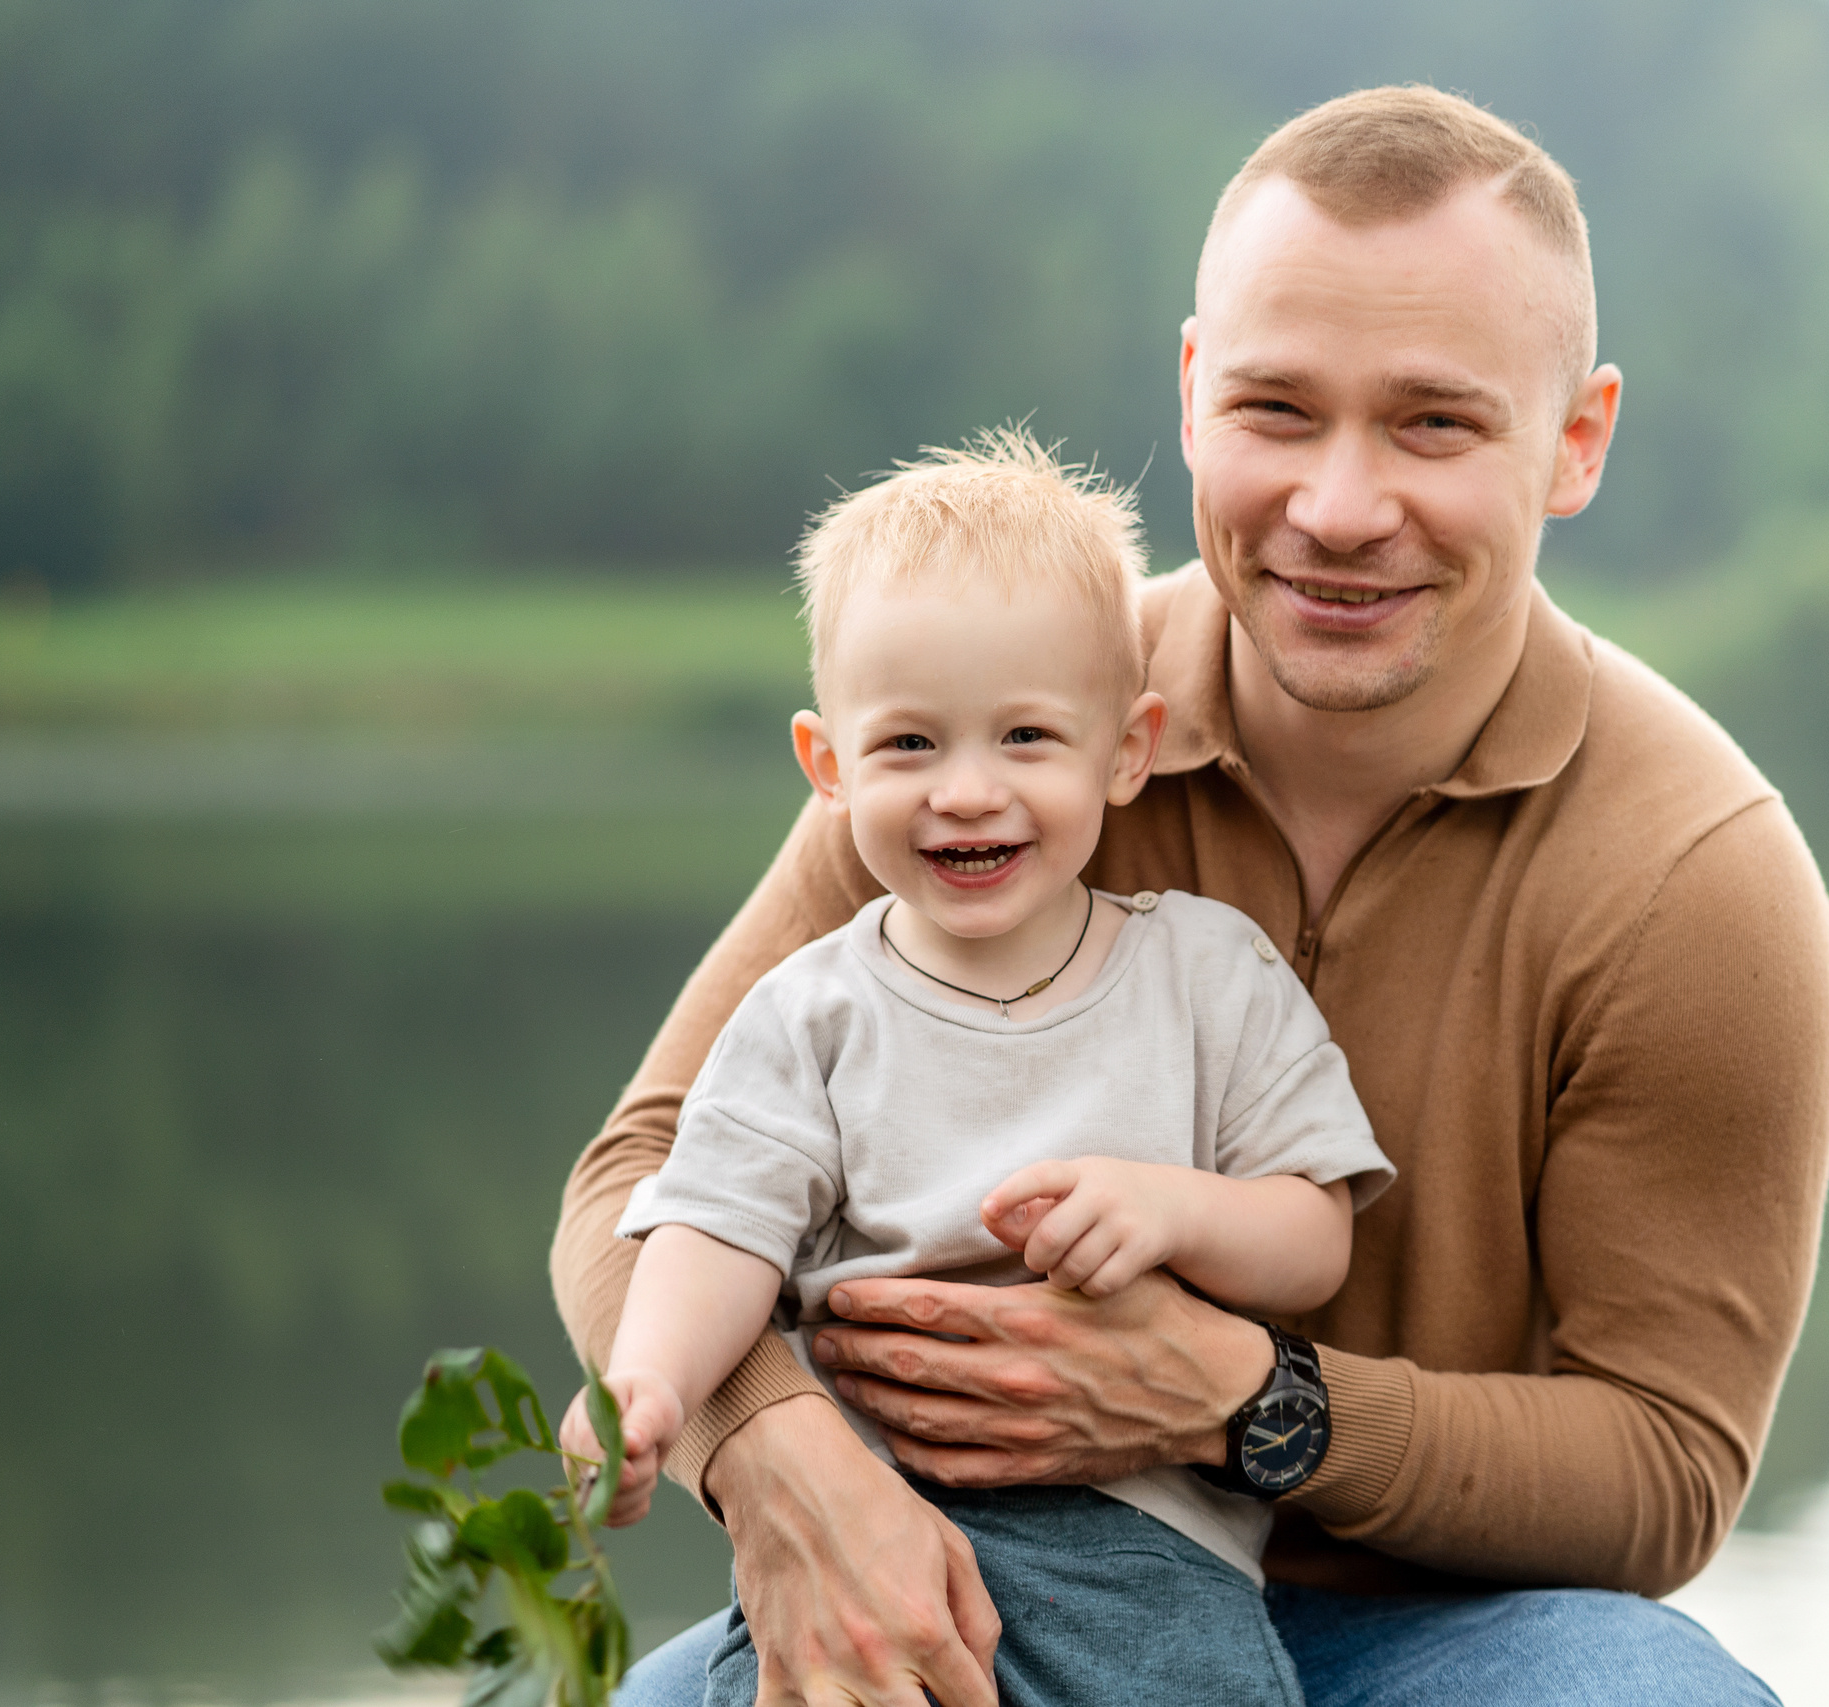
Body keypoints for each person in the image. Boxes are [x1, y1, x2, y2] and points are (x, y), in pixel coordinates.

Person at [554, 85, 1829, 1707]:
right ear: (1187, 392)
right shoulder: (998, 732)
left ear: (1574, 438)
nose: (1339, 506)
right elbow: (646, 1172)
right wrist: (780, 1454)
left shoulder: (1696, 874)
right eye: (1278, 410)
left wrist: (1238, 1400)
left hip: (1457, 1636)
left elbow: (1662, 1471)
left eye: (1433, 422)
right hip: (966, 1577)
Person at [559, 431, 1395, 1707]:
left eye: (1023, 737)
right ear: (827, 767)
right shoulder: (809, 1016)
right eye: (908, 746)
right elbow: (716, 1224)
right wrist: (654, 1384)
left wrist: (1175, 1208)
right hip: (869, 1529)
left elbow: (1313, 1233)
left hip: (1148, 1560)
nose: (966, 791)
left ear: (1126, 751)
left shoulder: (1205, 977)